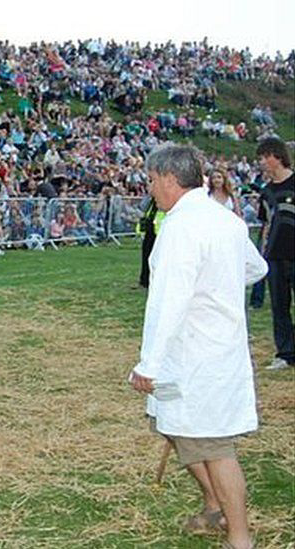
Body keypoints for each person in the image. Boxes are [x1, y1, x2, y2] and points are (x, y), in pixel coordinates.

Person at [128, 145, 267, 549]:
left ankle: (239, 536)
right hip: (208, 351)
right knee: (176, 430)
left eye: (152, 180)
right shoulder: (225, 221)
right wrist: (218, 286)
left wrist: (148, 363)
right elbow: (257, 268)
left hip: (195, 357)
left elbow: (170, 299)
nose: (151, 189)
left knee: (215, 446)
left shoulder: (182, 228)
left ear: (170, 179)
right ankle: (213, 506)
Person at [255, 138, 294, 370]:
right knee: (280, 306)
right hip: (275, 256)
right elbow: (266, 225)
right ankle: (285, 353)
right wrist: (263, 252)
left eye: (262, 157)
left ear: (275, 156)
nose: (261, 162)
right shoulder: (266, 192)